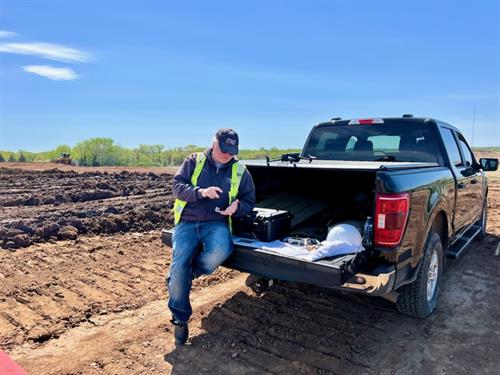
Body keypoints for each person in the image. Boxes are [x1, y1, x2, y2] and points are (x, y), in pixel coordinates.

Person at [167, 128, 256, 345]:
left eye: (232, 151)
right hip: (188, 222)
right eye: (224, 150)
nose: (228, 155)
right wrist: (200, 192)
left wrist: (237, 206)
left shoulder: (239, 170)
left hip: (216, 223)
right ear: (214, 144)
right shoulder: (194, 160)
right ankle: (180, 320)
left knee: (221, 250)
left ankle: (190, 274)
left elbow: (248, 199)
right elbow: (177, 187)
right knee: (178, 267)